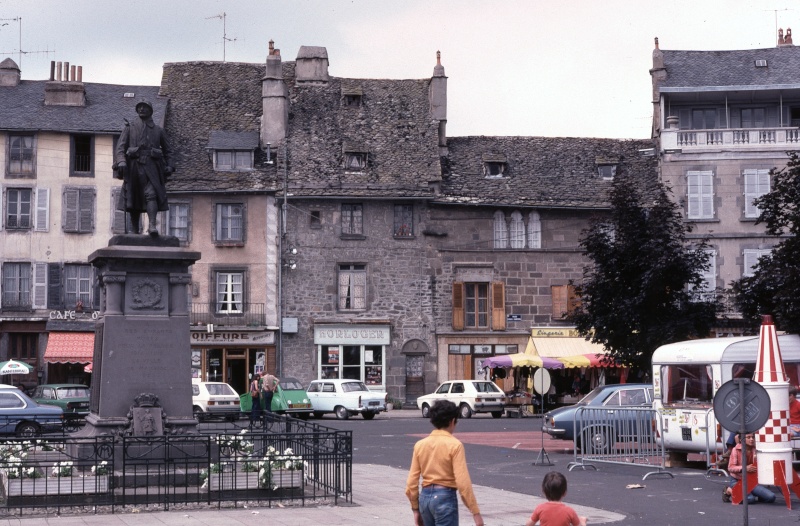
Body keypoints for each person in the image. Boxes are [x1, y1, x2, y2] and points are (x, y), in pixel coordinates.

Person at [405, 400, 484, 526]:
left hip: (425, 498)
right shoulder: (455, 445)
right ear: (452, 421)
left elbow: (411, 483)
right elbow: (463, 483)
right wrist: (475, 512)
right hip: (445, 498)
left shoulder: (420, 445)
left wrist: (415, 509)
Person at [114, 99, 174, 235]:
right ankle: (134, 230)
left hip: (152, 167)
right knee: (133, 197)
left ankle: (152, 226)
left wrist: (170, 165)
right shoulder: (129, 128)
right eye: (139, 107)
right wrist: (122, 161)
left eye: (145, 107)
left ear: (150, 110)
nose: (141, 109)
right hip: (133, 166)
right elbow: (120, 148)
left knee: (151, 194)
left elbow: (169, 151)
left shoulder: (159, 130)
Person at [726, 433, 776, 504]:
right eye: (748, 437)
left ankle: (745, 493)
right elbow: (730, 467)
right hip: (737, 480)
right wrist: (744, 468)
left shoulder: (756, 449)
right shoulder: (735, 450)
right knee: (750, 499)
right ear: (741, 439)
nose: (752, 439)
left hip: (751, 480)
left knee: (771, 497)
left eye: (753, 437)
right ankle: (730, 490)